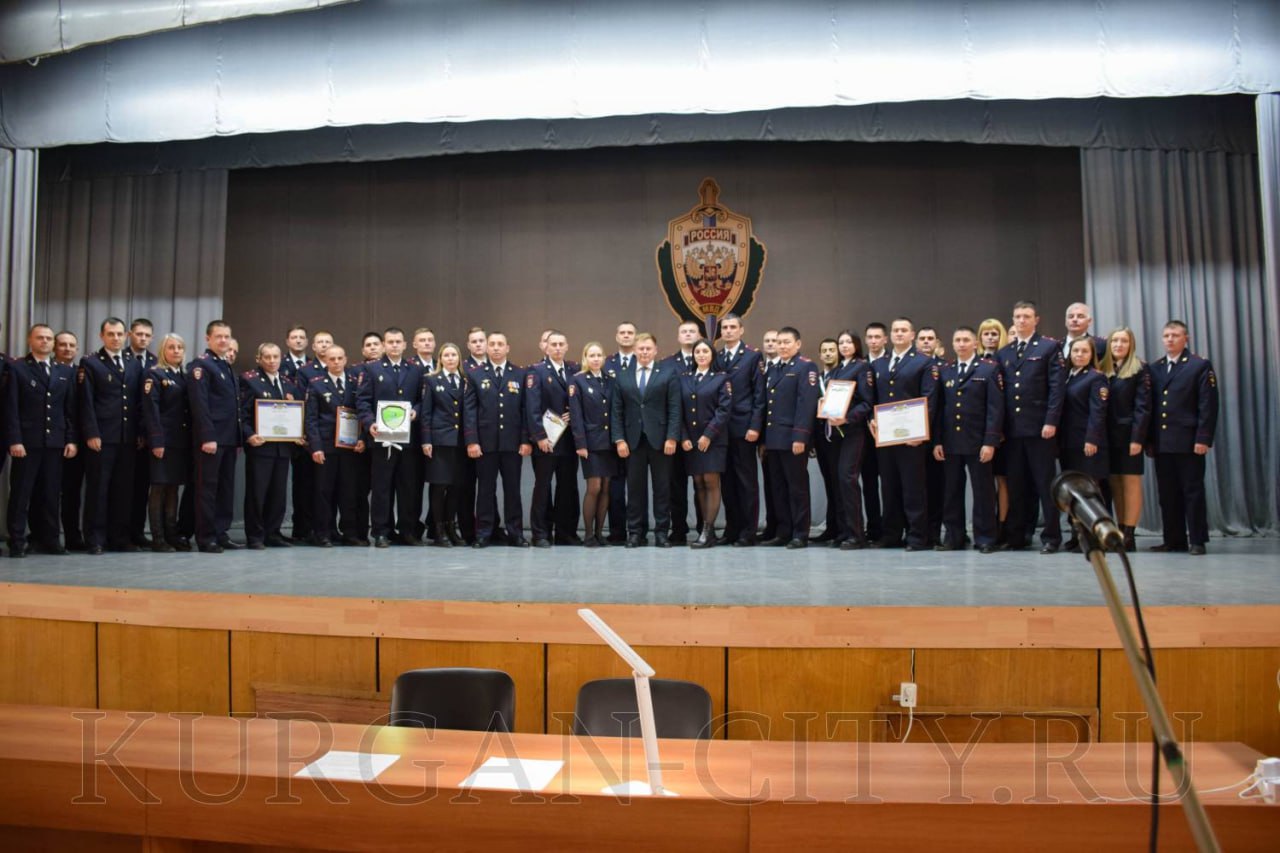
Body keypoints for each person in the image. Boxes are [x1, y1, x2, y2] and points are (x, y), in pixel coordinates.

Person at [997, 301, 1065, 554]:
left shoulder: (1049, 347)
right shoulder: (1004, 353)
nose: (1021, 320)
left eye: (1026, 316)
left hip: (1039, 428)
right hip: (1013, 431)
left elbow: (1057, 389)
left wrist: (1051, 421)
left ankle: (1051, 537)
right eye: (1017, 316)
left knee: (1045, 484)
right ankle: (1016, 536)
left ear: (1036, 319)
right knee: (1016, 484)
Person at [5, 324, 78, 557]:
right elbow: (11, 408)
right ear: (30, 340)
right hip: (27, 443)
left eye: (48, 338)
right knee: (21, 494)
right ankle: (17, 541)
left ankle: (50, 540)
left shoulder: (63, 371)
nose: (45, 342)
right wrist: (15, 440)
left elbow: (69, 411)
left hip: (54, 442)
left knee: (50, 493)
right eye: (40, 338)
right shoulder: (17, 368)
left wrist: (71, 439)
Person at [1147, 320, 1218, 556]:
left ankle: (1197, 539)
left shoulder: (1198, 365)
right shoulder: (1156, 368)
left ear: (1185, 338)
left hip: (1189, 441)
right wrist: (1149, 440)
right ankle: (1173, 539)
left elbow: (1207, 405)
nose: (1170, 339)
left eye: (1175, 335)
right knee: (1167, 494)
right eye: (1166, 335)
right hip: (1163, 441)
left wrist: (1203, 438)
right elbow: (1152, 407)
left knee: (1192, 492)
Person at [869, 317, 939, 551]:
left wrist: (921, 432)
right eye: (895, 330)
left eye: (904, 330)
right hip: (886, 437)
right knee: (889, 487)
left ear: (912, 335)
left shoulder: (923, 362)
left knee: (913, 488)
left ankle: (918, 536)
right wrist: (872, 420)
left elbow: (930, 400)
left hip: (912, 438)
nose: (899, 334)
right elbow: (874, 399)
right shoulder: (880, 364)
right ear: (890, 335)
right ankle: (891, 535)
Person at [932, 327, 1003, 553]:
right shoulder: (946, 370)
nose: (961, 344)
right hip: (951, 442)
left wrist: (990, 441)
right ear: (952, 344)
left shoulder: (988, 369)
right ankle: (954, 536)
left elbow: (995, 409)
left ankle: (985, 537)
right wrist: (937, 441)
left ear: (975, 344)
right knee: (951, 491)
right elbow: (939, 409)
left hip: (977, 441)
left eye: (966, 340)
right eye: (957, 340)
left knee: (983, 491)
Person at [79, 317, 145, 555]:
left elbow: (137, 402)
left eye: (119, 334)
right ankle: (95, 538)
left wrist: (139, 432)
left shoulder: (133, 363)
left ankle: (119, 537)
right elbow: (86, 403)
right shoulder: (92, 363)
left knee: (123, 490)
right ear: (101, 336)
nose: (115, 338)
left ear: (125, 336)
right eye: (110, 334)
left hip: (127, 438)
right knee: (98, 489)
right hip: (102, 437)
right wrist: (91, 432)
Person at [611, 332, 681, 548]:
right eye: (640, 349)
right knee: (634, 489)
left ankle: (661, 532)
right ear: (634, 350)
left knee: (662, 489)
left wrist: (672, 437)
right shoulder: (623, 375)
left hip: (661, 441)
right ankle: (635, 532)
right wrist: (619, 440)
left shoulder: (668, 373)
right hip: (632, 442)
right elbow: (616, 411)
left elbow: (675, 408)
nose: (644, 352)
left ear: (655, 350)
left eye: (648, 348)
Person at [357, 327, 426, 548]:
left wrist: (417, 410)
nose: (394, 345)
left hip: (408, 439)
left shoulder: (415, 370)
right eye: (390, 342)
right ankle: (380, 531)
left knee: (408, 488)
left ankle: (407, 531)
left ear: (405, 344)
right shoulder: (371, 368)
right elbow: (363, 401)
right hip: (382, 439)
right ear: (384, 345)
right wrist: (369, 423)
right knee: (381, 487)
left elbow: (423, 399)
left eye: (398, 341)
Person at [464, 331, 531, 548]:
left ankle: (516, 533)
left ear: (507, 348)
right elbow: (470, 411)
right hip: (486, 443)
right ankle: (483, 532)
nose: (495, 348)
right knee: (485, 490)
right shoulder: (475, 374)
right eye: (492, 344)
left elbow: (524, 410)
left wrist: (525, 440)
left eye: (500, 344)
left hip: (512, 444)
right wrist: (472, 441)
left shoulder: (519, 374)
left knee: (513, 490)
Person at [239, 343, 304, 549]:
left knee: (278, 493)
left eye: (276, 357)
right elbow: (242, 413)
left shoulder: (287, 383)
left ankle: (273, 532)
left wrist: (298, 433)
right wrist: (249, 435)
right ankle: (255, 535)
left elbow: (294, 414)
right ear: (259, 359)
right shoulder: (250, 381)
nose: (272, 361)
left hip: (283, 447)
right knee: (258, 493)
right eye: (267, 357)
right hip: (261, 446)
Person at [761, 326, 820, 549]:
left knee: (797, 488)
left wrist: (801, 437)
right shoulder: (774, 369)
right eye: (779, 342)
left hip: (793, 438)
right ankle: (783, 531)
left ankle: (800, 533)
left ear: (798, 344)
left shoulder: (806, 367)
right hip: (774, 438)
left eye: (787, 342)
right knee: (778, 487)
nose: (782, 346)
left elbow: (806, 404)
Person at [188, 320, 243, 553]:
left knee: (225, 489)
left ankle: (221, 532)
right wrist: (208, 437)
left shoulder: (225, 365)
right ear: (208, 339)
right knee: (207, 489)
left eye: (227, 336)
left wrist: (237, 438)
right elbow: (200, 405)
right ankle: (206, 537)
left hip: (228, 439)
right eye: (218, 336)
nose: (223, 340)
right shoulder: (201, 366)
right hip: (212, 440)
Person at [305, 345, 367, 548]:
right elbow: (311, 419)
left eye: (340, 358)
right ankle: (323, 533)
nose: (336, 362)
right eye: (332, 359)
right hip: (326, 447)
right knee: (324, 492)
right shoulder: (316, 385)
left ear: (346, 359)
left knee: (348, 492)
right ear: (326, 361)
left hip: (349, 447)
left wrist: (362, 438)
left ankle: (349, 533)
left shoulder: (354, 383)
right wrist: (315, 447)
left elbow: (362, 413)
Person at [526, 330, 581, 547]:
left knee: (568, 487)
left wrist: (573, 414)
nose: (557, 348)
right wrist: (539, 436)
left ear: (567, 347)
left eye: (561, 344)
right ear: (546, 347)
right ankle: (540, 533)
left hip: (569, 439)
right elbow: (532, 408)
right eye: (554, 344)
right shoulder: (536, 371)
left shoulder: (574, 370)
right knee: (543, 486)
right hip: (547, 439)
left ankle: (566, 532)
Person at [1099, 327, 1152, 551]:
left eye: (1124, 341)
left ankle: (1130, 533)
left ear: (1131, 345)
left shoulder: (1140, 369)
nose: (1119, 345)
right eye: (1115, 341)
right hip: (1106, 436)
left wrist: (1137, 438)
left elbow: (1143, 407)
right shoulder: (1103, 369)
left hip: (1130, 435)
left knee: (1130, 482)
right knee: (1114, 483)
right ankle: (1119, 529)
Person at [715, 313, 764, 547]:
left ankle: (748, 530)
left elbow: (759, 396)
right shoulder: (717, 356)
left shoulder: (752, 357)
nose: (728, 331)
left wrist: (755, 426)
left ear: (741, 330)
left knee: (746, 481)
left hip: (744, 428)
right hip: (721, 431)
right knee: (727, 482)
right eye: (725, 327)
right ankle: (732, 529)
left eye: (733, 327)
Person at [826, 330, 877, 550]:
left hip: (854, 432)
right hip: (836, 433)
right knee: (839, 480)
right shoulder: (837, 369)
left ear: (857, 344)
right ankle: (845, 531)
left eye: (848, 342)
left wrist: (847, 418)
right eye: (841, 342)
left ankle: (857, 534)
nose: (844, 345)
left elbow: (867, 403)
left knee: (848, 479)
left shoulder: (862, 367)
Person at [140, 333, 191, 552]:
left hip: (180, 442)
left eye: (180, 347)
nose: (176, 351)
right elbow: (151, 412)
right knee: (159, 488)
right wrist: (156, 441)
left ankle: (172, 534)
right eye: (171, 347)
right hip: (163, 441)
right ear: (163, 350)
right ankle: (158, 537)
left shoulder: (184, 376)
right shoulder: (155, 374)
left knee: (173, 488)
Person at [679, 339, 732, 548]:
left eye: (705, 351)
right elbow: (679, 410)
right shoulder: (685, 378)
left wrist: (708, 435)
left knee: (711, 483)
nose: (701, 355)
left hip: (713, 440)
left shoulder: (721, 378)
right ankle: (704, 529)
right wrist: (683, 437)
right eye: (697, 351)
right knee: (698, 483)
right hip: (691, 441)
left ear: (712, 355)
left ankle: (708, 531)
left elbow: (724, 410)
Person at [1058, 337, 1109, 552]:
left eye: (1084, 351)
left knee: (1089, 492)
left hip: (1087, 443)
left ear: (1092, 355)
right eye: (1075, 351)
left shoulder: (1096, 378)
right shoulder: (1066, 377)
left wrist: (1092, 438)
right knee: (1072, 492)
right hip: (1068, 442)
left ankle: (1094, 537)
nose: (1079, 355)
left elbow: (1098, 412)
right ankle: (1077, 534)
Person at [569, 342, 616, 548]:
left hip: (609, 443)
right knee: (594, 487)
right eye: (592, 355)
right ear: (585, 358)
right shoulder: (578, 381)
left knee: (606, 487)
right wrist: (580, 443)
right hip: (590, 442)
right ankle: (588, 533)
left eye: (599, 355)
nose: (596, 359)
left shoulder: (610, 380)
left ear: (604, 358)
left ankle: (599, 533)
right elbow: (576, 415)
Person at [420, 343, 466, 547]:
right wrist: (426, 440)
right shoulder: (431, 380)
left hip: (460, 442)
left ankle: (450, 526)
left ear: (459, 358)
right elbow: (426, 413)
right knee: (439, 487)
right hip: (439, 441)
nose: (450, 358)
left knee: (456, 487)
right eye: (446, 355)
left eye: (453, 354)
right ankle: (437, 529)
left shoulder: (466, 381)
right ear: (440, 358)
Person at [279, 325, 316, 543]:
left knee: (306, 482)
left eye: (302, 337)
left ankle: (304, 527)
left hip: (308, 433)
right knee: (282, 482)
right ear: (287, 341)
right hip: (284, 432)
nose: (299, 340)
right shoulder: (278, 364)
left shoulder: (313, 366)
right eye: (294, 337)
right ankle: (280, 528)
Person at [665, 320, 701, 542]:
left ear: (699, 336)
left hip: (701, 436)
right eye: (684, 332)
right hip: (676, 434)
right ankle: (678, 529)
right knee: (675, 485)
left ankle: (704, 529)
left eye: (692, 332)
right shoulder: (668, 364)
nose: (688, 335)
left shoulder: (709, 361)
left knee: (702, 484)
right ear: (678, 337)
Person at [603, 321, 638, 543]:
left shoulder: (644, 361)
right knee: (615, 488)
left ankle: (637, 531)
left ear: (635, 337)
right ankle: (617, 532)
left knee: (637, 487)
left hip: (638, 433)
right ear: (616, 336)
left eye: (630, 333)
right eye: (622, 332)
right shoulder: (606, 364)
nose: (626, 336)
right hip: (612, 435)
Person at [976, 318, 1010, 542]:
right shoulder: (976, 362)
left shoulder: (1007, 360)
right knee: (985, 482)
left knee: (1003, 480)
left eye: (994, 334)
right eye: (986, 334)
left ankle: (1004, 526)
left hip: (1003, 431)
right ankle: (989, 527)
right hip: (978, 433)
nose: (990, 338)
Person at [126, 319, 158, 548]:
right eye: (139, 334)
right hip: (124, 433)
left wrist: (147, 433)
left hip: (148, 435)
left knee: (141, 488)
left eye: (147, 335)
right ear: (130, 335)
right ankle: (118, 532)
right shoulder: (122, 359)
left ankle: (137, 531)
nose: (143, 338)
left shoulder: (156, 362)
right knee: (122, 488)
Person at [54, 330, 87, 551]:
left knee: (72, 493)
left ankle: (73, 536)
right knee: (45, 493)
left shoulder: (81, 373)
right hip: (52, 440)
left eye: (72, 345)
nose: (67, 349)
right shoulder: (47, 371)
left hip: (78, 442)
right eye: (63, 345)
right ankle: (44, 535)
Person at [811, 338, 844, 545]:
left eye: (832, 350)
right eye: (825, 350)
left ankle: (843, 529)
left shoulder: (843, 377)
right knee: (830, 484)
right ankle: (831, 527)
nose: (829, 353)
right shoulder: (818, 379)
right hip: (822, 437)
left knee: (841, 484)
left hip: (840, 436)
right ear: (820, 355)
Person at [860, 322, 888, 542]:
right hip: (864, 433)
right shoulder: (859, 365)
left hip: (888, 431)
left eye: (878, 337)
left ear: (885, 339)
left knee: (889, 483)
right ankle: (874, 528)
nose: (873, 341)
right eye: (869, 337)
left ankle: (892, 527)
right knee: (868, 483)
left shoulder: (891, 363)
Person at [758, 328, 781, 541]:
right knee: (770, 484)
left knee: (785, 485)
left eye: (775, 340)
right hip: (766, 437)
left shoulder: (785, 369)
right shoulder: (762, 369)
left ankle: (786, 528)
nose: (772, 344)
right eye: (768, 341)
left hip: (784, 436)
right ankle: (772, 526)